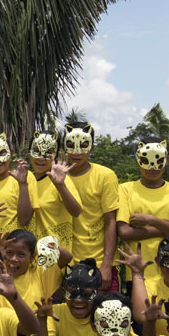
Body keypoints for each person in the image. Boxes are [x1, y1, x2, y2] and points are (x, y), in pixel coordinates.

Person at [117, 139, 169, 282]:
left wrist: (151, 221)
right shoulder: (125, 190)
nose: (152, 167)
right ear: (138, 159)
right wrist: (167, 230)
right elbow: (125, 233)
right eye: (146, 160)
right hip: (137, 271)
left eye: (158, 160)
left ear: (167, 159)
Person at [63, 122, 120, 288]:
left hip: (98, 263)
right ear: (63, 146)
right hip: (64, 263)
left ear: (92, 148)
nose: (77, 152)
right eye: (71, 145)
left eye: (84, 145)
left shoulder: (105, 176)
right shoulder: (56, 175)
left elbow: (111, 221)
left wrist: (107, 265)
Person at [26, 132, 81, 252]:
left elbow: (76, 211)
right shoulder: (25, 180)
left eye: (49, 152)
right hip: (29, 257)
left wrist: (61, 186)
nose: (41, 157)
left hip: (56, 257)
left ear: (56, 154)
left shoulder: (61, 180)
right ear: (29, 152)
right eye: (36, 150)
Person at [0, 135, 34, 236]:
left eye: (1, 153)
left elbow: (25, 220)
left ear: (11, 152)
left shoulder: (25, 178)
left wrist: (22, 184)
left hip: (18, 250)